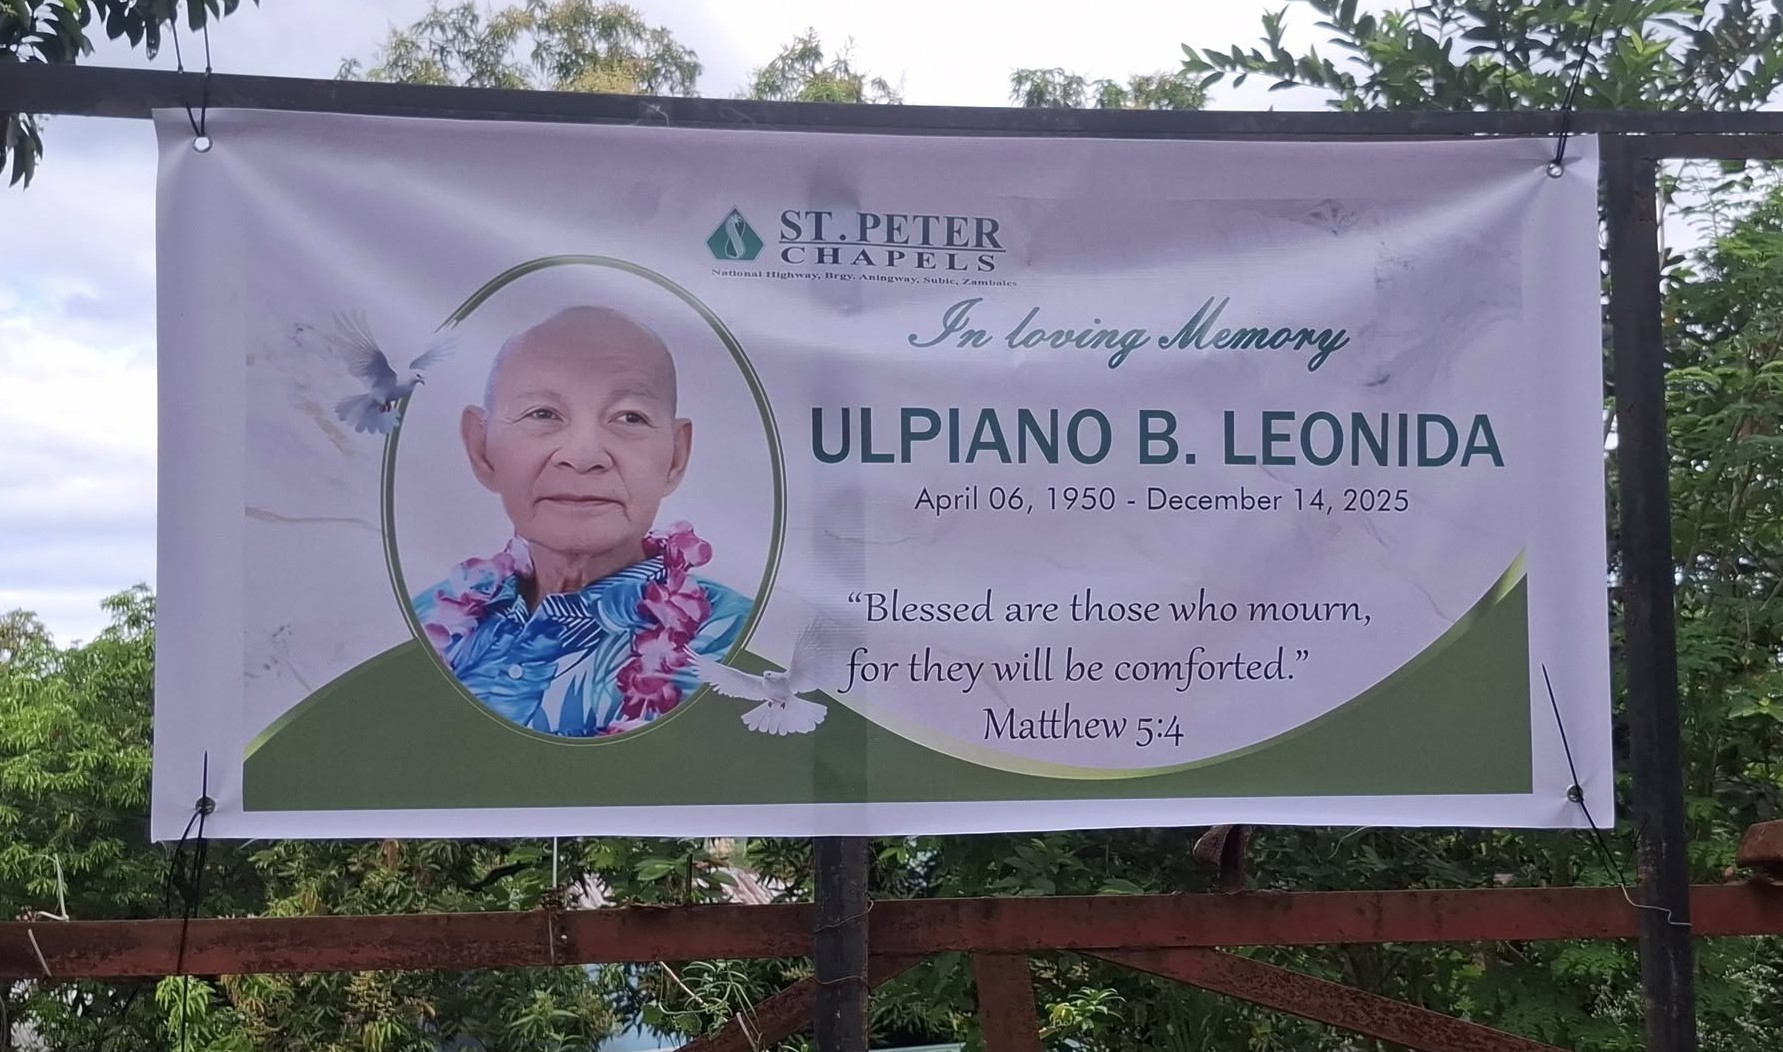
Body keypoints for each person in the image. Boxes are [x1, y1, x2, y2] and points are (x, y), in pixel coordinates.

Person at [411, 306, 752, 737]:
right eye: (543, 414)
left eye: (630, 417)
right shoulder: (424, 623)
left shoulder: (736, 645)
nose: (583, 455)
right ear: (482, 449)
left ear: (676, 457)